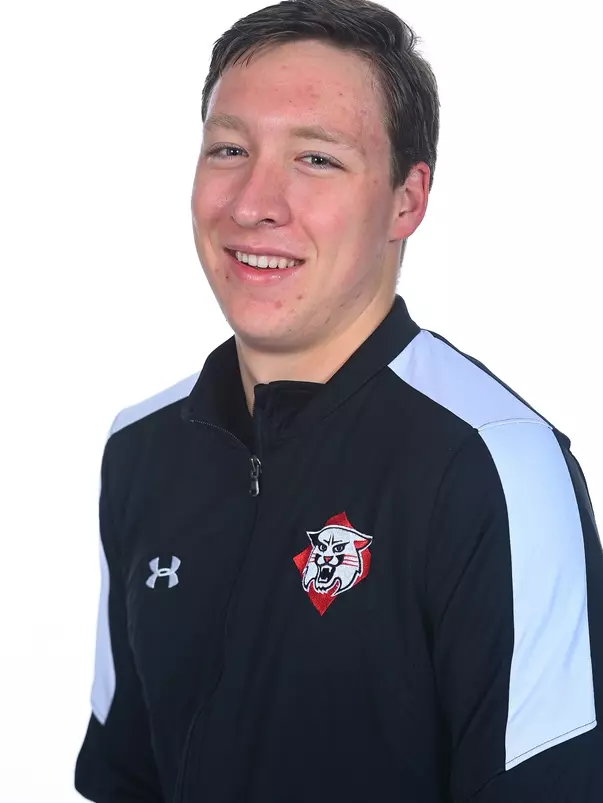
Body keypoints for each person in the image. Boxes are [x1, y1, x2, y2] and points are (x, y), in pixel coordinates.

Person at [74, 0, 603, 801]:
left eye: (316, 159)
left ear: (406, 200)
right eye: (228, 148)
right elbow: (127, 777)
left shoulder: (493, 463)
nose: (253, 202)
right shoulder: (142, 447)